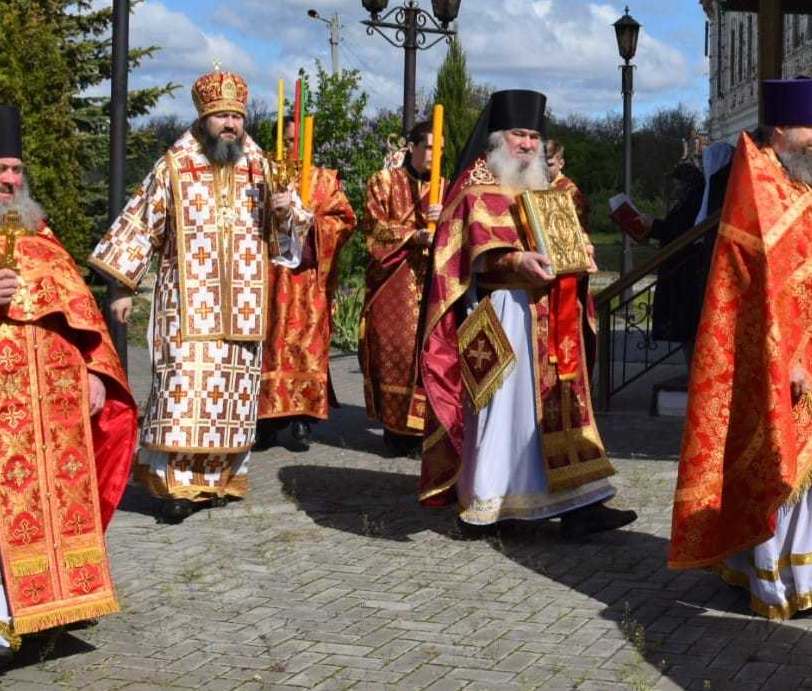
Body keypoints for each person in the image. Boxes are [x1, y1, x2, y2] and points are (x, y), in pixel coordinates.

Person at [0, 107, 137, 677]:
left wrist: (95, 370)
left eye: (17, 169)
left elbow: (78, 309)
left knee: (43, 499)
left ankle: (37, 607)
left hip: (50, 404)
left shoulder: (37, 231)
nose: (11, 180)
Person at [669, 78, 812, 620]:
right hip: (779, 357)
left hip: (807, 350)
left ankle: (762, 567)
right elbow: (765, 290)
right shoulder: (760, 189)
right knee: (783, 458)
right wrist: (788, 360)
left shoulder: (791, 185)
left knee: (798, 458)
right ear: (781, 129)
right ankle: (785, 580)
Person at [91, 70, 310, 523]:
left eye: (236, 116)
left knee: (232, 395)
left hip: (243, 305)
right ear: (203, 118)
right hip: (187, 305)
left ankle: (216, 482)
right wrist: (122, 286)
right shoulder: (175, 164)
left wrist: (287, 212)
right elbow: (141, 222)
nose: (230, 124)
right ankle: (176, 486)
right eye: (221, 116)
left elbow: (289, 234)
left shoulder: (262, 167)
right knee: (184, 392)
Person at [418, 89, 636, 539]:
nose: (528, 144)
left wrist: (582, 254)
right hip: (504, 315)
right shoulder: (473, 187)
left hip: (552, 315)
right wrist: (514, 260)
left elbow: (566, 239)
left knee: (563, 407)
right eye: (520, 134)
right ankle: (493, 506)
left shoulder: (546, 187)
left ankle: (578, 504)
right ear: (498, 137)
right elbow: (458, 257)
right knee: (506, 413)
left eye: (535, 137)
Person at [257, 116, 356, 452]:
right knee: (269, 347)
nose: (292, 149)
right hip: (269, 280)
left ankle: (303, 419)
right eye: (286, 142)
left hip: (309, 281)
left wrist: (311, 220)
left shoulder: (324, 180)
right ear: (275, 143)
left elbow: (344, 219)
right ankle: (266, 423)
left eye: (298, 142)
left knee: (306, 347)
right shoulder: (262, 177)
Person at [360, 121, 439, 457]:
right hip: (394, 280)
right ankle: (394, 432)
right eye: (429, 148)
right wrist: (413, 235)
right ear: (412, 147)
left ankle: (422, 431)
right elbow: (373, 227)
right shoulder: (384, 181)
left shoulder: (445, 187)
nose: (435, 155)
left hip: (431, 285)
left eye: (440, 150)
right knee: (396, 354)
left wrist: (445, 219)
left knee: (427, 355)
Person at [639, 161, 706, 362]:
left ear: (688, 183)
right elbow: (672, 229)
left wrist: (653, 224)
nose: (676, 187)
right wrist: (651, 227)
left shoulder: (694, 203)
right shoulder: (686, 202)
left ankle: (693, 371)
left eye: (679, 183)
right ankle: (691, 370)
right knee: (684, 332)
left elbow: (679, 232)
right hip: (677, 270)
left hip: (684, 273)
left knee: (688, 329)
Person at [546, 139, 589, 229]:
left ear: (561, 164)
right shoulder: (536, 184)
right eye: (542, 164)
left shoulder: (570, 190)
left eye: (550, 165)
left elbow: (582, 224)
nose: (545, 168)